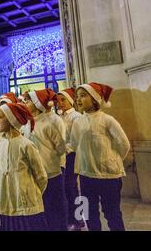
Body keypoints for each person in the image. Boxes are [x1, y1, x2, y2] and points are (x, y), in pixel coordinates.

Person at [71, 82, 130, 231]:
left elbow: (124, 144)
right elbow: (74, 143)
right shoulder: (78, 121)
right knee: (89, 213)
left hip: (108, 177)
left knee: (112, 213)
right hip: (86, 175)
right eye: (77, 96)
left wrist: (112, 161)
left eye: (83, 96)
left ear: (95, 99)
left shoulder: (107, 120)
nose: (78, 99)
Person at [0, 103, 48, 231]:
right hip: (7, 203)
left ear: (11, 120)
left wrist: (31, 193)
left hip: (27, 204)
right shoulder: (0, 145)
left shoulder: (26, 145)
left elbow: (41, 176)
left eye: (0, 117)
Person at [25, 89, 68, 231]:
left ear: (37, 104)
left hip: (51, 172)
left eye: (29, 100)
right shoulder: (27, 124)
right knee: (41, 208)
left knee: (55, 207)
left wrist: (52, 160)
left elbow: (61, 147)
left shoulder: (49, 123)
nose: (25, 103)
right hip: (35, 174)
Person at [56, 88, 84, 230]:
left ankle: (79, 219)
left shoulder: (76, 117)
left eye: (63, 100)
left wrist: (64, 149)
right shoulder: (59, 117)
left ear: (70, 101)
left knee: (72, 187)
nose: (59, 103)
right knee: (65, 188)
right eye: (58, 100)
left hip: (71, 156)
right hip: (61, 156)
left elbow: (75, 140)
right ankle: (69, 218)